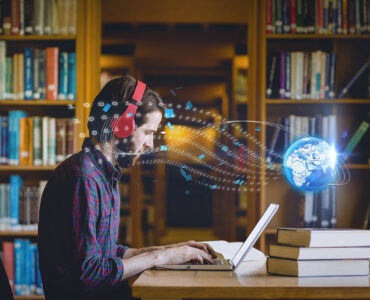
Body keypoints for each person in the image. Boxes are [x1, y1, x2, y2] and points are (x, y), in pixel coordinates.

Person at [38, 75, 216, 300]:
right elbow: (89, 273)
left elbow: (107, 253)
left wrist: (171, 250)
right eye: (148, 132)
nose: (150, 144)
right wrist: (161, 258)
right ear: (123, 125)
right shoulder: (83, 177)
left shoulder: (103, 174)